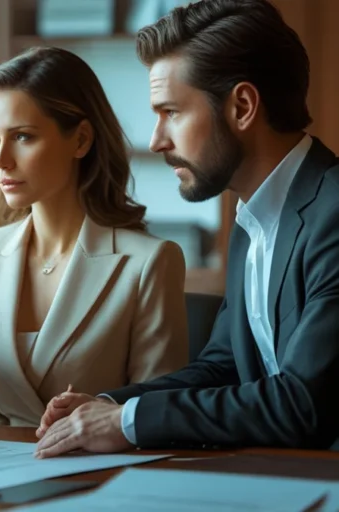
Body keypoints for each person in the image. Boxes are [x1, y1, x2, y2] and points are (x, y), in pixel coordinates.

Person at [35, 0, 339, 457]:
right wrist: (107, 405)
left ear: (242, 106)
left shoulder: (333, 211)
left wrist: (127, 423)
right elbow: (224, 366)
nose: (157, 139)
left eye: (171, 112)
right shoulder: (252, 218)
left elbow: (301, 404)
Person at [0, 46, 189, 427]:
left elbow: (151, 415)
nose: (0, 160)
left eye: (22, 137)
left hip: (100, 477)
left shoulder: (149, 263)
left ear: (81, 140)